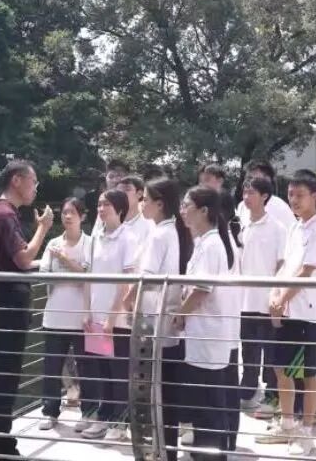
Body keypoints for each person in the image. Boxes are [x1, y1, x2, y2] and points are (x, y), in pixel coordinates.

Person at [0, 160, 54, 460]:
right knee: (5, 377)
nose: (36, 188)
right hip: (9, 304)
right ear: (17, 180)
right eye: (34, 182)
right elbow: (22, 259)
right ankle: (2, 447)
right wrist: (43, 229)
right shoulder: (5, 214)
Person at [256, 170, 316, 456]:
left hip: (306, 313)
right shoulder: (296, 227)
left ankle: (306, 430)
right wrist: (275, 295)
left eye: (300, 195)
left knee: (307, 372)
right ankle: (287, 423)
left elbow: (306, 271)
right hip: (287, 311)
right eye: (290, 194)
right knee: (281, 368)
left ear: (315, 196)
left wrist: (282, 299)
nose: (294, 200)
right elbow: (287, 266)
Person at [127, 177, 193, 461]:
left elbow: (147, 278)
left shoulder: (159, 234)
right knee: (170, 392)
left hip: (156, 322)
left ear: (160, 204)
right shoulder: (175, 231)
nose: (141, 204)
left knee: (157, 393)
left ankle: (161, 451)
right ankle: (168, 450)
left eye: (145, 199)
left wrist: (129, 300)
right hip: (170, 323)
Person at [178, 186, 241, 461]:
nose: (182, 211)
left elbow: (201, 289)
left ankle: (212, 456)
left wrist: (179, 315)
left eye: (187, 205)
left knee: (209, 405)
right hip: (202, 335)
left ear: (204, 211)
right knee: (204, 403)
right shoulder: (205, 242)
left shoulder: (212, 244)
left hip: (208, 335)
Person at [81, 189, 138, 441]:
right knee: (102, 369)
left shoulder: (128, 237)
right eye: (99, 204)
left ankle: (120, 423)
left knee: (119, 371)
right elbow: (87, 277)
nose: (101, 209)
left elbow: (126, 281)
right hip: (96, 315)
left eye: (106, 205)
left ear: (119, 209)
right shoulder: (95, 238)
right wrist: (86, 311)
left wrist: (112, 317)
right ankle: (103, 418)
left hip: (118, 319)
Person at [37, 198, 98, 431]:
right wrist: (76, 272)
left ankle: (89, 413)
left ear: (82, 216)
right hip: (54, 316)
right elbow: (44, 274)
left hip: (83, 317)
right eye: (64, 212)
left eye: (72, 212)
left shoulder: (91, 243)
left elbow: (90, 276)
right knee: (51, 367)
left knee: (87, 368)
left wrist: (64, 261)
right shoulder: (53, 243)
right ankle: (50, 411)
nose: (67, 216)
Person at [238, 178, 286, 414]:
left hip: (267, 300)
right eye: (245, 192)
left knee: (271, 350)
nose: (246, 197)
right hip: (244, 299)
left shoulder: (277, 227)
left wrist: (277, 294)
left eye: (252, 193)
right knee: (248, 349)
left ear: (265, 196)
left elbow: (282, 262)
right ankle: (247, 391)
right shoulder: (242, 225)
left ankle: (272, 394)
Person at [236, 161, 295, 230]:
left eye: (254, 178)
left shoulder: (280, 207)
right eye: (248, 178)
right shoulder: (242, 206)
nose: (250, 182)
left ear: (267, 180)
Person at [90, 159, 130, 234]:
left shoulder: (137, 207)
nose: (115, 180)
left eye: (120, 176)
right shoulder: (103, 207)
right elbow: (95, 235)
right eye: (111, 177)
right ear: (106, 178)